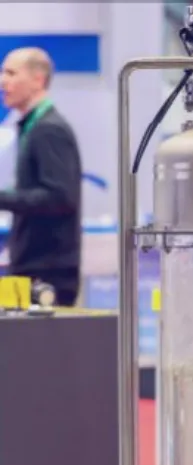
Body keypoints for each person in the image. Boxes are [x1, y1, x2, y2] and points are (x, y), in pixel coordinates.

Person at [0, 47, 82, 306]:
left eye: (11, 73)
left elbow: (60, 197)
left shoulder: (49, 130)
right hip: (30, 268)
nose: (3, 81)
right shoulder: (33, 127)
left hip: (48, 273)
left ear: (37, 80)